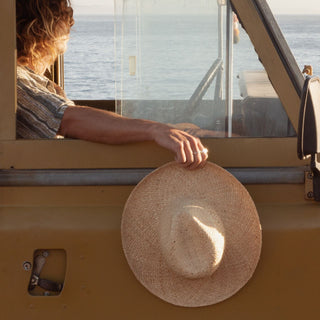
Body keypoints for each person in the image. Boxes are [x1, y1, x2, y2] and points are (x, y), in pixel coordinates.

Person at [16, 0, 208, 169]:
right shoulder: (14, 81)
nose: (71, 23)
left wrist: (179, 130)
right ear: (42, 27)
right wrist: (154, 130)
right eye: (64, 16)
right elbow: (67, 119)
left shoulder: (34, 80)